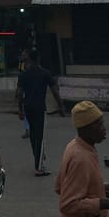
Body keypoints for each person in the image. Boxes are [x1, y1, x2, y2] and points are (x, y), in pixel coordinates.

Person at [17, 48, 65, 176]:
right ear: (38, 58)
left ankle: (38, 158)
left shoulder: (23, 75)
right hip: (39, 108)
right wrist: (61, 106)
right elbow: (55, 91)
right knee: (40, 137)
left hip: (28, 108)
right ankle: (39, 167)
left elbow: (19, 94)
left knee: (33, 136)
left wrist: (20, 110)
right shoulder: (45, 73)